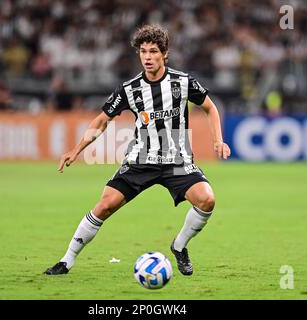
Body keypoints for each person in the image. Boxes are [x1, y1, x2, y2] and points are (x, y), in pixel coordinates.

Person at [44, 25, 231, 276]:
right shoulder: (130, 89)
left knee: (207, 199)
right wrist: (76, 149)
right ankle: (66, 260)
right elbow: (102, 120)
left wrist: (218, 139)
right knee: (104, 205)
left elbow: (210, 108)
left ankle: (179, 246)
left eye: (153, 51)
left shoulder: (183, 82)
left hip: (177, 160)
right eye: (143, 51)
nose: (148, 57)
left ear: (164, 54)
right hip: (140, 159)